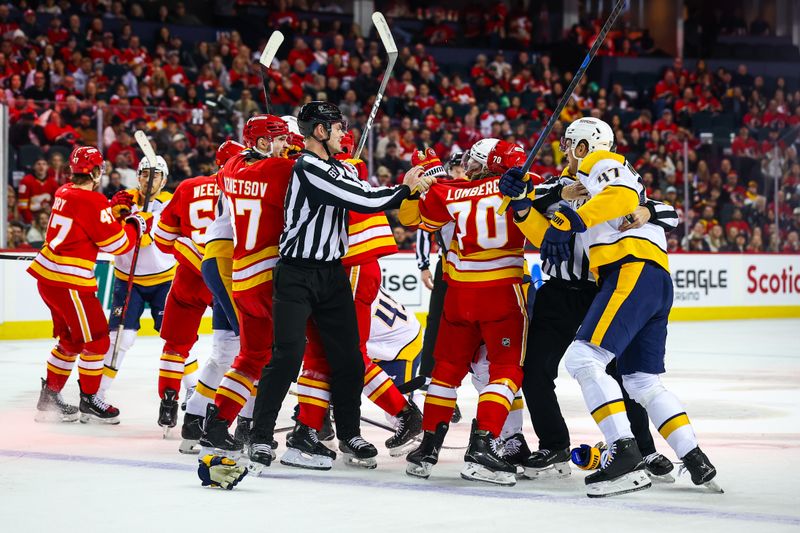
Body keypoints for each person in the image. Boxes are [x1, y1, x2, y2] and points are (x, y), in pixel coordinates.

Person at [500, 117, 720, 497]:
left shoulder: (600, 163)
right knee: (639, 380)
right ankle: (694, 456)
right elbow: (550, 228)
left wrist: (573, 216)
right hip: (649, 279)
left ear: (585, 146)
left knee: (583, 360)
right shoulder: (589, 187)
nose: (565, 152)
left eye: (570, 145)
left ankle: (626, 452)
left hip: (628, 271)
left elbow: (625, 199)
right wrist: (520, 201)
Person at [246, 101, 432, 473]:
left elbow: (362, 188)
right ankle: (261, 435)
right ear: (319, 131)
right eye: (336, 127)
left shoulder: (335, 167)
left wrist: (410, 189)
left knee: (348, 356)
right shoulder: (308, 168)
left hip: (331, 275)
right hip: (296, 274)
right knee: (286, 355)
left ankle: (349, 433)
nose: (342, 132)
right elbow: (362, 201)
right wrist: (404, 188)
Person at [399, 138, 530, 486]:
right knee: (505, 370)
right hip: (501, 294)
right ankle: (484, 446)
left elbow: (411, 218)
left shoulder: (454, 191)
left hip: (458, 293)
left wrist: (419, 186)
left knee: (445, 371)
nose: (468, 165)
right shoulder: (519, 187)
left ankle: (427, 448)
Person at [288, 131, 424, 465]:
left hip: (349, 269)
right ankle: (318, 416)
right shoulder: (345, 171)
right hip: (360, 269)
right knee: (335, 354)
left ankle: (395, 413)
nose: (294, 152)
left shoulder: (332, 172)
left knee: (342, 356)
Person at [27, 145, 151, 424]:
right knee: (97, 340)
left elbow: (89, 225)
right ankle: (89, 399)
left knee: (71, 340)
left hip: (50, 278)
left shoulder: (64, 192)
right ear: (96, 171)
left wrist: (112, 211)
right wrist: (135, 224)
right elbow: (117, 245)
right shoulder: (91, 201)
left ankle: (50, 397)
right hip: (69, 282)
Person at [198, 114, 294, 461]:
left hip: (241, 275)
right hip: (270, 278)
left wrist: (283, 149)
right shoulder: (280, 170)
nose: (286, 145)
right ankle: (261, 428)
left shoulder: (231, 168)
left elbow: (250, 162)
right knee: (284, 357)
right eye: (280, 139)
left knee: (249, 357)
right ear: (264, 143)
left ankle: (217, 425)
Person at [152, 143, 240, 434]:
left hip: (189, 279)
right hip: (226, 277)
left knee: (176, 347)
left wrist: (188, 248)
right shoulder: (245, 188)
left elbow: (162, 240)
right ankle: (233, 416)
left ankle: (169, 400)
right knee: (237, 350)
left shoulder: (188, 186)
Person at [177, 140, 247, 454]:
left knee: (225, 352)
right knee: (256, 349)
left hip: (218, 260)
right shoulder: (243, 175)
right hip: (231, 262)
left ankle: (193, 420)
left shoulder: (221, 179)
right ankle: (247, 423)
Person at [96, 157, 177, 416]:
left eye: (154, 176)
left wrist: (141, 222)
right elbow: (110, 235)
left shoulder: (170, 202)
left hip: (163, 280)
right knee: (120, 339)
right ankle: (96, 395)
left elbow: (149, 238)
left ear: (163, 180)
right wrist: (115, 214)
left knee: (176, 338)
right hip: (127, 280)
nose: (148, 180)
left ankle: (190, 393)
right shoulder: (123, 200)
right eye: (144, 174)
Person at [18, 157, 57, 224]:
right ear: (34, 167)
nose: (41, 166)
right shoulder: (25, 181)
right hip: (31, 218)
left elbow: (56, 201)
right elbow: (22, 204)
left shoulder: (53, 182)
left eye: (44, 164)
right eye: (38, 164)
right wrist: (30, 220)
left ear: (48, 167)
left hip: (48, 218)